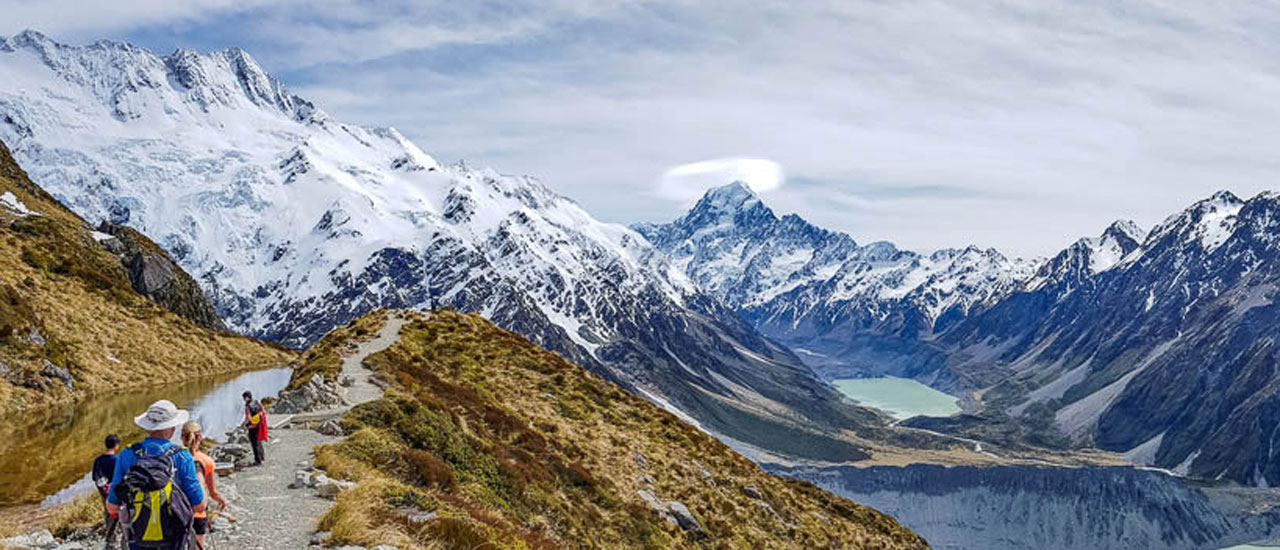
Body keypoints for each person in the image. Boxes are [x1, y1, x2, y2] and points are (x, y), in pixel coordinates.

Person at [106, 400, 205, 550]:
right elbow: (199, 505)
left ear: (148, 427)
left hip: (138, 538)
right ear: (172, 427)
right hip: (174, 540)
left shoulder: (127, 454)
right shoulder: (182, 456)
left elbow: (112, 507)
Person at [180, 422, 226, 549]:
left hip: (178, 512)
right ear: (199, 438)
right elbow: (212, 492)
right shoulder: (207, 461)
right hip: (198, 513)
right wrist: (221, 501)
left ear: (182, 438)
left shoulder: (175, 458)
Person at [93, 434, 121, 550]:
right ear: (116, 446)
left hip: (105, 494)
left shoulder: (98, 460)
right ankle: (120, 539)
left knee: (108, 515)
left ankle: (110, 541)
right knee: (120, 515)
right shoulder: (117, 460)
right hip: (117, 493)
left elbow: (95, 478)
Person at [242, 391, 267, 466]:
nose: (243, 399)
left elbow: (248, 417)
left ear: (246, 397)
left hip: (252, 426)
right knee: (259, 441)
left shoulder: (248, 406)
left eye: (244, 398)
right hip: (259, 425)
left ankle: (258, 460)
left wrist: (245, 425)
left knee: (254, 443)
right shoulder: (256, 402)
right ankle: (262, 456)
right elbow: (262, 410)